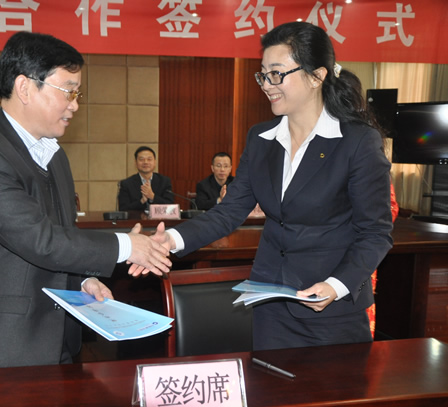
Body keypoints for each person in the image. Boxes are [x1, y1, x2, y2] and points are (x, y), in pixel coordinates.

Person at [149, 22, 394, 351]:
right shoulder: (261, 138)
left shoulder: (357, 142)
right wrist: (172, 240)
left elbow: (375, 233)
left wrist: (336, 285)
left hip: (330, 309)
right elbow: (228, 212)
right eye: (263, 75)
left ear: (317, 76)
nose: (267, 85)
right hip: (271, 304)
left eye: (277, 74)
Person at [0, 32, 171, 370]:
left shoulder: (53, 154)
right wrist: (126, 246)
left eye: (77, 93)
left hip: (55, 334)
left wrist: (84, 281)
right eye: (68, 91)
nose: (75, 104)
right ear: (25, 88)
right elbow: (40, 241)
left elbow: (63, 236)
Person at [117, 146, 174, 211]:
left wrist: (152, 196)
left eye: (149, 159)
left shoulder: (164, 181)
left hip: (159, 217)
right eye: (141, 159)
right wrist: (141, 201)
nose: (146, 162)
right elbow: (123, 209)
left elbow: (170, 206)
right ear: (135, 163)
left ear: (155, 162)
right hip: (136, 217)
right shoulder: (126, 184)